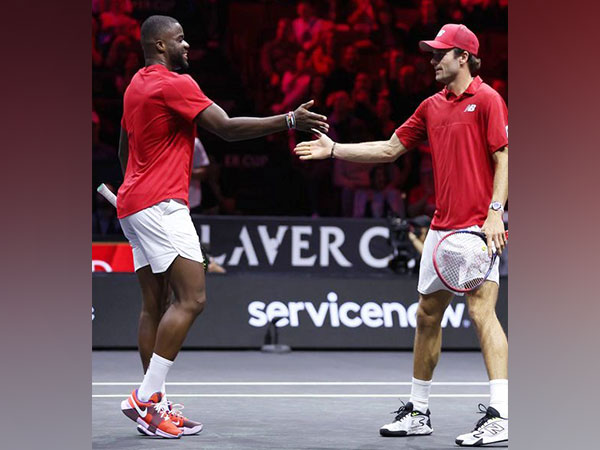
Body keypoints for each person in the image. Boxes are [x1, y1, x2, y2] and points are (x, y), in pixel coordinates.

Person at [294, 23, 508, 447]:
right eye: (431, 53)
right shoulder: (430, 106)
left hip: (478, 229)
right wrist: (335, 149)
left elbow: (504, 158)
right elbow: (390, 149)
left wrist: (495, 213)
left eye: (440, 54)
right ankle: (419, 411)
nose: (432, 60)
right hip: (440, 228)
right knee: (427, 316)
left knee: (482, 313)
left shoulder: (487, 99)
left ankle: (502, 415)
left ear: (462, 57)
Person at [117, 15, 329, 439]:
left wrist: (134, 190)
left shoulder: (135, 85)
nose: (187, 44)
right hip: (162, 205)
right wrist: (288, 120)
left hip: (132, 205)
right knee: (192, 299)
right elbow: (228, 129)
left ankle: (153, 404)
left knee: (154, 305)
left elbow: (125, 148)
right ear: (160, 45)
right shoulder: (175, 84)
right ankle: (145, 398)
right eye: (179, 39)